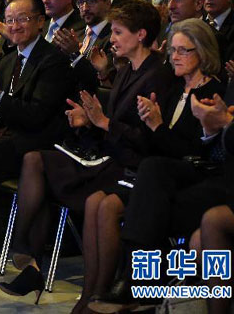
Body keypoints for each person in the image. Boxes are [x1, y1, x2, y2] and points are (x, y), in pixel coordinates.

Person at [0, 0, 172, 301]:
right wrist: (89, 120)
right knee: (35, 161)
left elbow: (146, 139)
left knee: (46, 174)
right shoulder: (126, 71)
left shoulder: (157, 75)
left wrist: (101, 122)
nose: (111, 39)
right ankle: (29, 258)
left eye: (117, 32)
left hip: (129, 166)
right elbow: (111, 122)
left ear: (141, 35)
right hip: (107, 153)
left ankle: (87, 291)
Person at [75, 19, 225, 314]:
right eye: (173, 51)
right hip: (156, 176)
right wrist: (151, 123)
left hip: (193, 178)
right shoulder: (175, 88)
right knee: (99, 200)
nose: (175, 57)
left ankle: (130, 279)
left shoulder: (213, 92)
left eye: (183, 51)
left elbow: (193, 152)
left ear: (203, 52)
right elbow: (155, 144)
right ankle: (95, 292)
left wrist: (157, 126)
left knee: (134, 185)